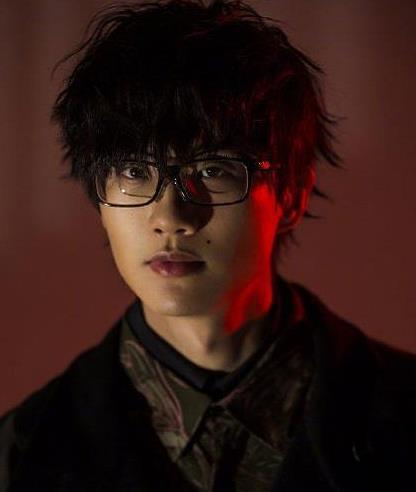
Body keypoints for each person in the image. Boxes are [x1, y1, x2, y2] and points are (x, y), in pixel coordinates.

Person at [0, 1, 415, 490]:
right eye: (134, 171)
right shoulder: (21, 455)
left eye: (213, 170)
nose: (170, 218)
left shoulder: (402, 414)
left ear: (292, 194)